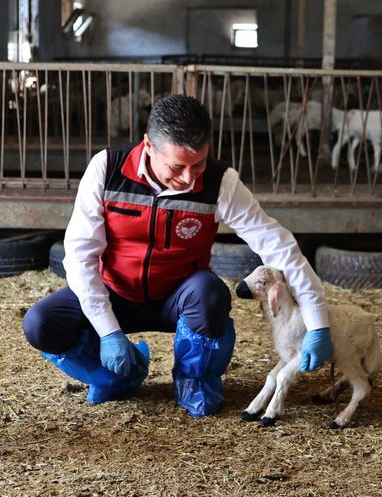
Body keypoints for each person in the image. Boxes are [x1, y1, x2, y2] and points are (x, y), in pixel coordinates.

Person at [22, 95, 331, 417]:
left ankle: (193, 380)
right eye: (176, 166)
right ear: (148, 146)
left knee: (211, 293)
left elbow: (278, 246)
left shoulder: (220, 182)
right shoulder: (108, 168)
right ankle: (116, 375)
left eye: (198, 164)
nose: (188, 178)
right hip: (115, 291)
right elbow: (80, 255)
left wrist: (318, 322)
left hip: (180, 298)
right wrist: (108, 332)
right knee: (41, 323)